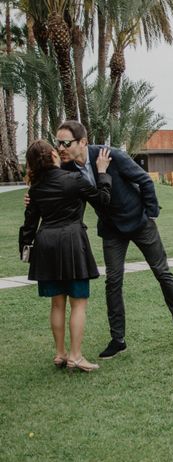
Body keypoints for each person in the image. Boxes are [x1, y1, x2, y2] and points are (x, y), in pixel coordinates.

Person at [54, 120, 173, 357]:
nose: (60, 148)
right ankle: (118, 340)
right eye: (58, 143)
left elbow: (145, 180)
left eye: (65, 143)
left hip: (139, 222)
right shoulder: (68, 168)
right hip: (111, 229)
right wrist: (32, 199)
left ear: (83, 142)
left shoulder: (111, 156)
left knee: (162, 272)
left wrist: (151, 214)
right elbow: (56, 190)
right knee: (113, 282)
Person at [19, 140, 112, 372]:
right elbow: (103, 200)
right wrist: (102, 173)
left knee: (57, 303)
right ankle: (76, 356)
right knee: (78, 303)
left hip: (46, 245)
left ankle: (60, 354)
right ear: (53, 154)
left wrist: (25, 249)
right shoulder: (74, 180)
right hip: (71, 242)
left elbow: (29, 225)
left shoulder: (35, 189)